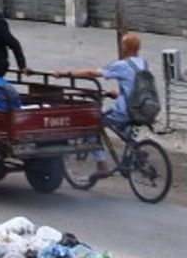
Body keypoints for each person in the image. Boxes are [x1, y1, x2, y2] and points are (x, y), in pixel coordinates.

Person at [58, 33, 149, 182]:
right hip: (143, 109)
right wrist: (119, 94)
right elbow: (137, 88)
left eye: (122, 45)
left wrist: (67, 73)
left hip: (125, 111)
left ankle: (102, 165)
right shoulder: (143, 63)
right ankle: (136, 152)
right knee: (121, 127)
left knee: (92, 126)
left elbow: (92, 73)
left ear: (125, 48)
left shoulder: (122, 64)